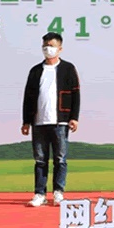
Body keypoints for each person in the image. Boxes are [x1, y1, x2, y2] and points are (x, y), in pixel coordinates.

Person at [21, 32, 80, 207]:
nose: (48, 49)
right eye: (45, 45)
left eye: (52, 46)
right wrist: (26, 121)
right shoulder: (36, 71)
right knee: (40, 160)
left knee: (60, 159)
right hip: (39, 122)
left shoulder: (68, 69)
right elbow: (28, 97)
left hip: (60, 122)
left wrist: (74, 117)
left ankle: (58, 192)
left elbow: (76, 94)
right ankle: (40, 193)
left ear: (60, 49)